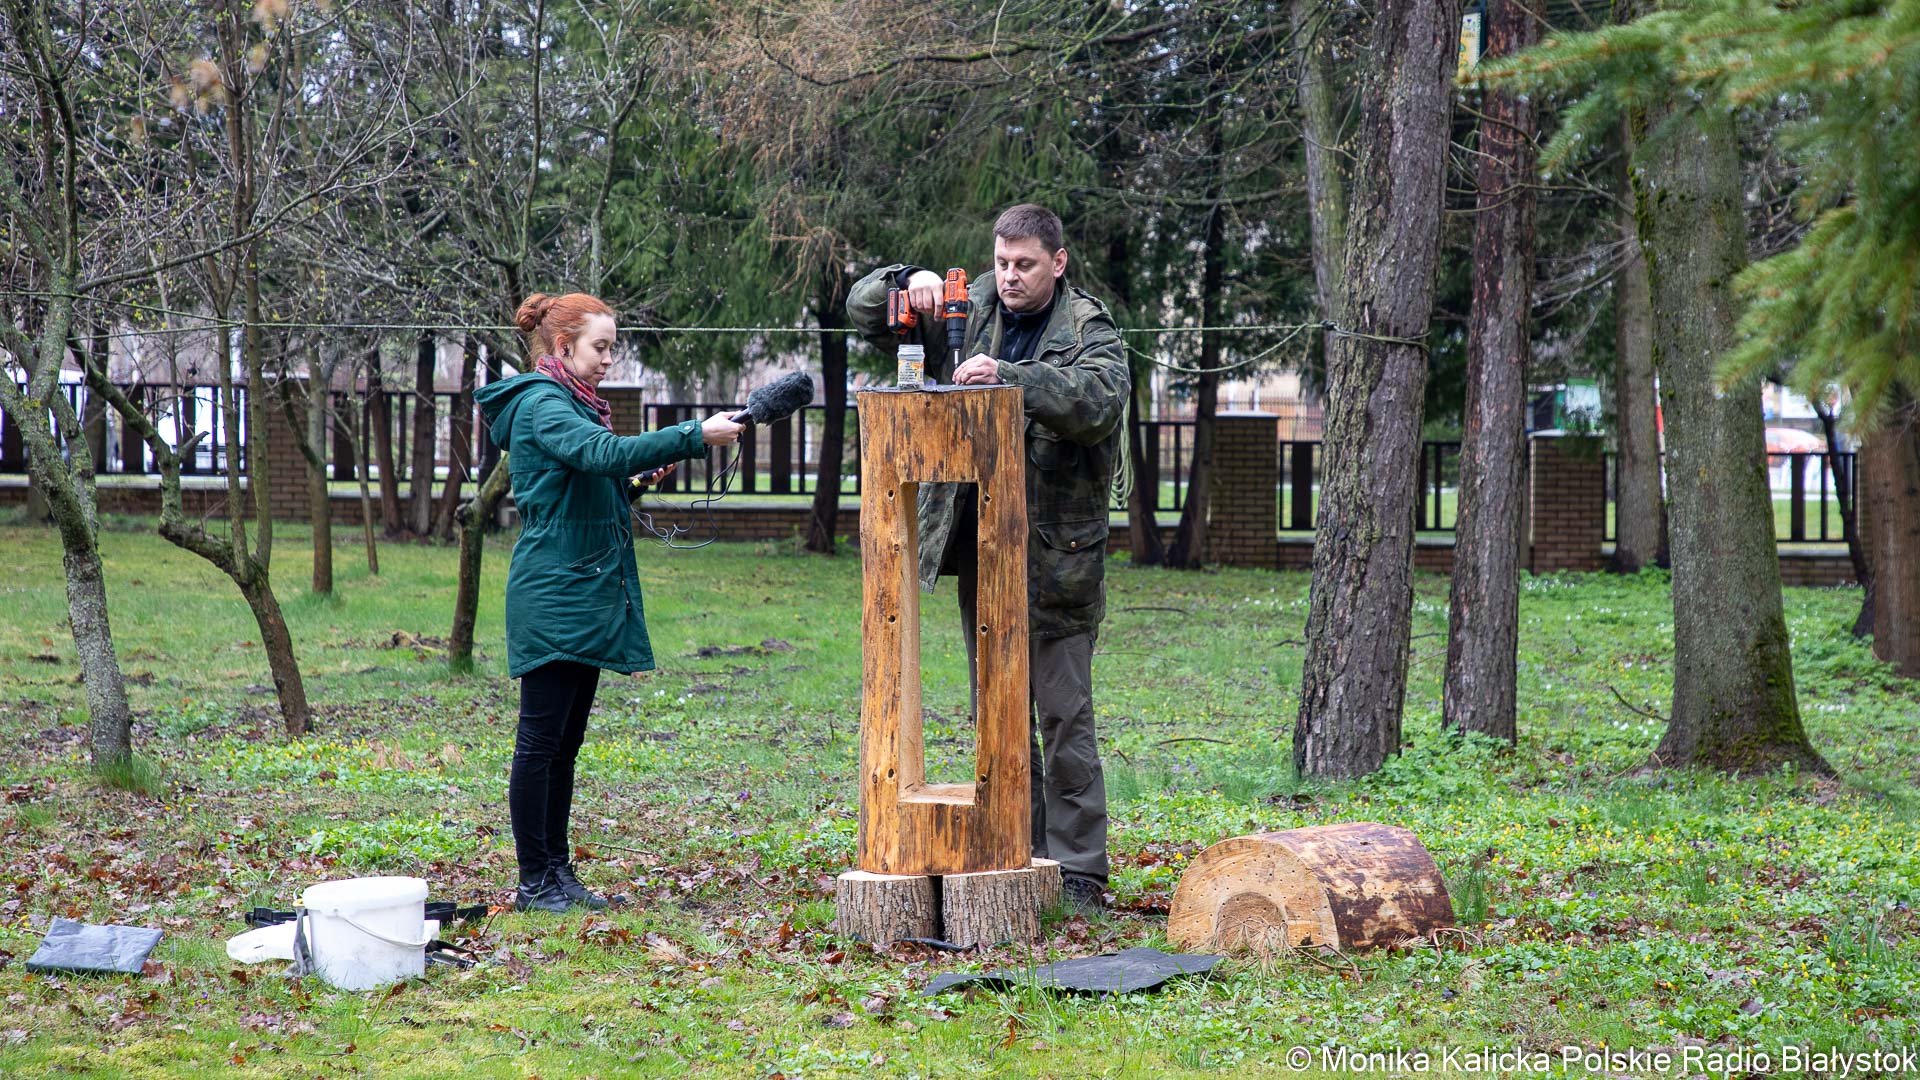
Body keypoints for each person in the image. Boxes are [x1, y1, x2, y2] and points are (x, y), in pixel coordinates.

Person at [846, 204, 1130, 912]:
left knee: (1063, 716)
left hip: (1057, 560)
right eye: (1001, 263)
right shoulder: (966, 306)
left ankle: (1080, 872)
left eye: (1025, 264)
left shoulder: (1086, 328)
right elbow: (861, 309)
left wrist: (1009, 376)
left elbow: (1098, 403)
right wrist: (905, 281)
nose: (1009, 276)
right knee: (996, 714)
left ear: (1057, 263)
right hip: (983, 551)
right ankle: (1018, 851)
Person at [474, 292, 743, 913]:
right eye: (600, 347)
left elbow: (598, 480)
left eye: (612, 347)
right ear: (563, 346)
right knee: (540, 743)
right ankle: (533, 880)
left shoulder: (575, 404)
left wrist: (637, 480)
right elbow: (600, 455)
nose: (608, 359)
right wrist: (691, 435)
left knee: (564, 745)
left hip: (583, 588)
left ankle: (558, 873)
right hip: (553, 592)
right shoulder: (543, 404)